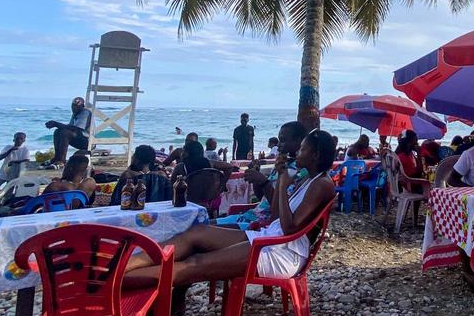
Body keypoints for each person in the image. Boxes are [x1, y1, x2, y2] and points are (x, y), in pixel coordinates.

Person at [124, 129, 338, 304]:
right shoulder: (309, 179)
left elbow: (290, 229)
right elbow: (276, 217)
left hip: (281, 252)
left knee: (195, 263)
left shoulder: (321, 185)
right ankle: (124, 266)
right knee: (196, 234)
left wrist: (281, 185)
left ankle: (116, 281)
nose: (298, 152)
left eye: (302, 149)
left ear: (315, 155)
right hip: (268, 237)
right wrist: (281, 180)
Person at [44, 97, 92, 166]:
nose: (74, 108)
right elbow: (70, 127)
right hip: (80, 138)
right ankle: (57, 157)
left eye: (77, 106)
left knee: (65, 133)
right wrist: (57, 125)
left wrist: (56, 124)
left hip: (87, 141)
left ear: (82, 106)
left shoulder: (85, 113)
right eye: (73, 106)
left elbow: (76, 129)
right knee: (58, 131)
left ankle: (62, 161)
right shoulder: (75, 114)